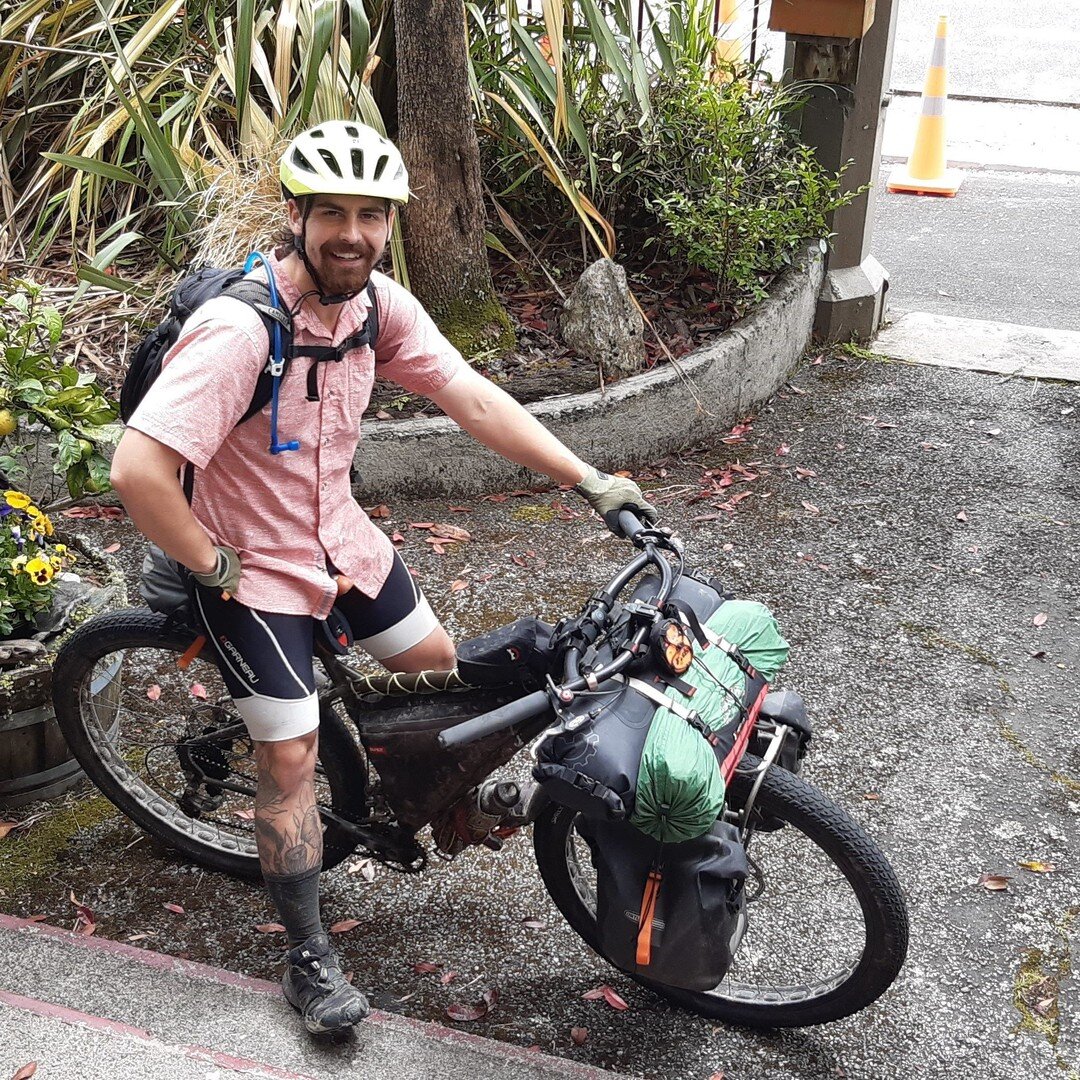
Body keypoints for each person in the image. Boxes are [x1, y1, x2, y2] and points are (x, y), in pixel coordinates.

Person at [110, 120, 656, 1035]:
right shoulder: (240, 330)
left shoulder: (376, 310)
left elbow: (471, 396)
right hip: (253, 569)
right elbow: (138, 471)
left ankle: (423, 804)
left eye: (371, 215)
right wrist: (214, 565)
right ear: (296, 216)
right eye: (332, 214)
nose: (352, 234)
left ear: (390, 222)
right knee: (287, 755)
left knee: (435, 672)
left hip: (340, 540)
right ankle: (308, 959)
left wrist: (591, 480)